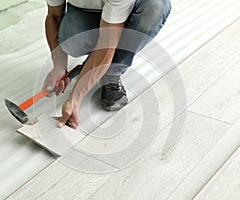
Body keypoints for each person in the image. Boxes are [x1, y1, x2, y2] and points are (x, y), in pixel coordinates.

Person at [43, 0, 171, 129]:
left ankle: (112, 71)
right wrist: (59, 65)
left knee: (155, 9)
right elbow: (54, 16)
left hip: (140, 5)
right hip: (91, 9)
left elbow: (106, 45)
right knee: (72, 42)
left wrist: (75, 98)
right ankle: (97, 63)